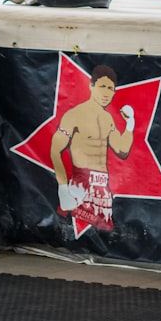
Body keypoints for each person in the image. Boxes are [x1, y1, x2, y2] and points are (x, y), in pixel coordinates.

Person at [50, 65, 134, 233]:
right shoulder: (74, 114)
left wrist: (130, 124)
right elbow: (55, 150)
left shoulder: (108, 118)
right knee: (75, 234)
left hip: (103, 187)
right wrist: (63, 189)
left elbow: (122, 149)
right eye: (102, 86)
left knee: (104, 237)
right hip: (80, 184)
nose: (106, 93)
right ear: (91, 86)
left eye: (111, 88)